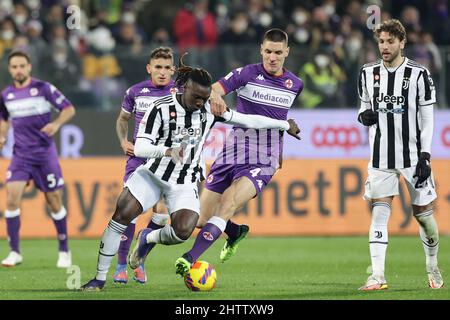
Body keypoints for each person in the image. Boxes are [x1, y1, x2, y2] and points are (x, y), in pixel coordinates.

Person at [80, 55, 300, 291]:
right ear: (184, 88)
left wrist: (285, 125)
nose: (200, 102)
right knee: (122, 214)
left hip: (184, 182)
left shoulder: (209, 109)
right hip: (153, 175)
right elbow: (141, 146)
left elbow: (247, 120)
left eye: (205, 98)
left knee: (184, 230)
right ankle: (99, 278)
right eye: (196, 97)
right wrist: (167, 151)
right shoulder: (159, 108)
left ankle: (148, 237)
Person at [173, 28, 304, 276]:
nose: (272, 57)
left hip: (264, 158)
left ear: (287, 52)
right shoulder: (245, 74)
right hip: (233, 151)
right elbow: (213, 88)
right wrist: (215, 97)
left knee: (229, 201)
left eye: (278, 52)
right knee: (199, 220)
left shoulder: (295, 84)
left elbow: (280, 117)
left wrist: (279, 152)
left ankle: (189, 258)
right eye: (268, 51)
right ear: (261, 50)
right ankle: (234, 231)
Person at [357, 19, 443, 291]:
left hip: (414, 158)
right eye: (381, 41)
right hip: (381, 157)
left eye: (390, 41)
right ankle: (378, 276)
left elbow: (427, 118)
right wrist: (363, 116)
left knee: (423, 216)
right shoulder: (367, 73)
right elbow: (362, 109)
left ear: (402, 42)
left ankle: (432, 265)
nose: (384, 46)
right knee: (379, 213)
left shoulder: (419, 74)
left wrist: (426, 156)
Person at [0, 50, 76, 268]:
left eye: (22, 65)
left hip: (44, 156)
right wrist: (2, 134)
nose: (18, 70)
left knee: (54, 202)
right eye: (14, 66)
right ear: (10, 69)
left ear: (29, 66)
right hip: (20, 156)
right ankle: (14, 251)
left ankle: (64, 250)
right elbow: (4, 118)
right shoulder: (6, 95)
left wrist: (56, 124)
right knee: (12, 198)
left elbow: (69, 109)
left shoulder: (43, 88)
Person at [112, 47, 175, 284]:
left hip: (166, 161)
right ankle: (120, 265)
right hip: (139, 158)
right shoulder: (136, 92)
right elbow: (122, 119)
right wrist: (123, 141)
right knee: (130, 211)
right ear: (149, 68)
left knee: (161, 214)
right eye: (157, 67)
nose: (162, 72)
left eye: (166, 68)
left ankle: (140, 256)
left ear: (173, 70)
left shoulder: (180, 93)